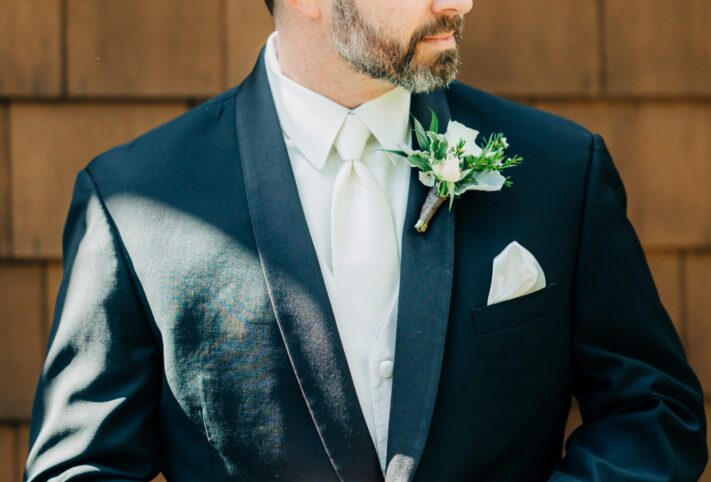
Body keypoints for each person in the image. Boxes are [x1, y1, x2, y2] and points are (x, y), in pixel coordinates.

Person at [24, 0, 708, 481]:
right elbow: (79, 469)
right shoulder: (137, 203)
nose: (460, 3)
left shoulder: (558, 169)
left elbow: (653, 410)